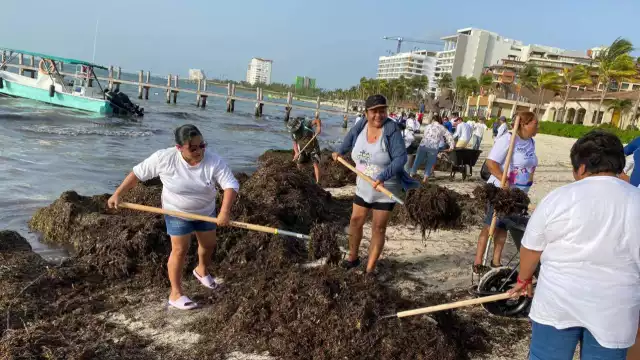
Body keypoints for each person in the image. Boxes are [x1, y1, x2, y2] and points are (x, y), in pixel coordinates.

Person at [510, 130, 640, 360]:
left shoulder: (559, 197)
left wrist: (524, 279)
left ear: (580, 168)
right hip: (614, 311)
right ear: (619, 165)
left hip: (557, 302)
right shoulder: (635, 201)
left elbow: (531, 246)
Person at [107, 124, 239, 310]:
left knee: (209, 245)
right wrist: (118, 193)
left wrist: (224, 212)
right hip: (176, 211)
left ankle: (201, 270)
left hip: (205, 211)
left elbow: (230, 185)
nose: (199, 150)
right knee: (180, 249)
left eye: (202, 145)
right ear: (179, 148)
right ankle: (175, 294)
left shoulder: (213, 161)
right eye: (193, 147)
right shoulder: (164, 158)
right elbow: (137, 174)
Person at [332, 94, 419, 273]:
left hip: (385, 188)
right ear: (366, 113)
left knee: (378, 228)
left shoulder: (391, 130)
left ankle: (370, 269)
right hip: (363, 186)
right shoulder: (361, 125)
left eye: (382, 111)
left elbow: (401, 158)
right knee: (355, 221)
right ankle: (352, 258)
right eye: (374, 111)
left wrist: (383, 176)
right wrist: (340, 152)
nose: (378, 115)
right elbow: (349, 138)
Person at [472, 111, 538, 274]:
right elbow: (491, 163)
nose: (538, 127)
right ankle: (478, 263)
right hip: (500, 191)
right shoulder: (508, 139)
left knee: (504, 227)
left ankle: (496, 262)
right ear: (524, 124)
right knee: (490, 226)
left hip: (518, 193)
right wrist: (504, 178)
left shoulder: (531, 142)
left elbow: (530, 164)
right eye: (535, 124)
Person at [410, 115, 455, 183]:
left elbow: (425, 135)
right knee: (429, 163)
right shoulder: (441, 127)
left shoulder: (427, 126)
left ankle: (411, 176)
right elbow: (449, 136)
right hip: (433, 148)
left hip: (423, 146)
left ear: (433, 120)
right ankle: (425, 180)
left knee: (417, 161)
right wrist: (451, 146)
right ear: (439, 120)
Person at [285, 111, 322, 184]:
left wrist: (318, 127)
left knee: (315, 164)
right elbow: (295, 143)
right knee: (299, 164)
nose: (294, 131)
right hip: (302, 148)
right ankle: (300, 180)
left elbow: (318, 120)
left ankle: (318, 182)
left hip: (313, 146)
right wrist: (296, 152)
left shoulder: (306, 123)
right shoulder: (293, 133)